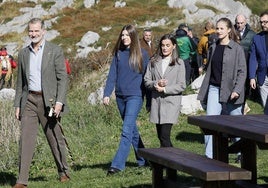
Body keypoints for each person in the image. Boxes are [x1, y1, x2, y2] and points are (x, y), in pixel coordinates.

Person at [13, 18, 70, 188]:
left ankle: (63, 171)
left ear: (43, 31)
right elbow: (20, 83)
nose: (33, 34)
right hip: (29, 100)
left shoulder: (55, 50)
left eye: (37, 31)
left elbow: (63, 79)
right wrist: (17, 104)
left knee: (54, 137)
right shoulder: (23, 53)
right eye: (31, 31)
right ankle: (22, 180)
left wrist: (59, 102)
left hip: (49, 102)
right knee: (26, 140)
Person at [197, 17, 247, 159]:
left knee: (236, 124)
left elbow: (242, 71)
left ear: (229, 30)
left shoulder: (237, 48)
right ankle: (209, 156)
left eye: (221, 28)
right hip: (214, 88)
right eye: (217, 28)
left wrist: (237, 90)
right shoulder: (213, 46)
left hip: (232, 90)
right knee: (210, 123)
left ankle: (241, 152)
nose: (218, 31)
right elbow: (210, 69)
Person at [103, 24, 149, 175]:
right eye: (122, 35)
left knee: (126, 130)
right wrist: (106, 94)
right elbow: (112, 76)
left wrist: (149, 100)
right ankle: (143, 159)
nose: (123, 38)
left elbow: (147, 79)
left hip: (135, 96)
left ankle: (117, 165)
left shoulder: (142, 54)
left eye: (127, 35)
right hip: (120, 97)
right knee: (132, 130)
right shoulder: (118, 53)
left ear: (133, 36)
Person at [144, 34, 186, 147]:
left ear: (174, 46)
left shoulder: (179, 63)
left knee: (164, 136)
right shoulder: (153, 61)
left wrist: (165, 89)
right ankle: (165, 163)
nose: (165, 48)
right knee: (160, 137)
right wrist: (156, 83)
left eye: (168, 45)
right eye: (163, 45)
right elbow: (146, 81)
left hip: (171, 103)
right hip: (157, 103)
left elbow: (182, 85)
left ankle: (173, 162)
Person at [234, 14, 256, 114]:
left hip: (246, 63)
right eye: (237, 23)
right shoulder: (231, 32)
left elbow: (254, 52)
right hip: (234, 63)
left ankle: (243, 106)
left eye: (241, 23)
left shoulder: (252, 34)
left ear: (245, 22)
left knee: (245, 87)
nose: (239, 25)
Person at [249, 11, 268, 115]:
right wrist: (252, 77)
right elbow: (253, 58)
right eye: (261, 22)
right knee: (266, 108)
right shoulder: (257, 38)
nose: (263, 24)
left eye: (266, 22)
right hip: (262, 78)